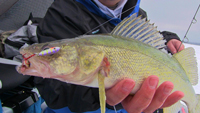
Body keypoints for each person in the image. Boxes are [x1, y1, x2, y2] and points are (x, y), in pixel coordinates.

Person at [36, 0, 185, 113]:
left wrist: (168, 38)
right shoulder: (62, 13)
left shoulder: (137, 14)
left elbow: (147, 45)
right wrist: (103, 96)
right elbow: (54, 91)